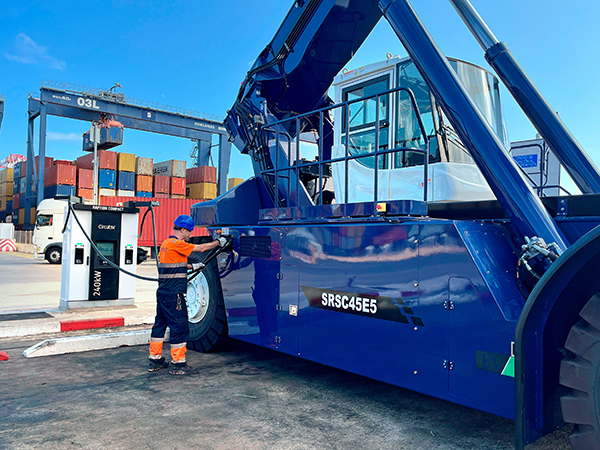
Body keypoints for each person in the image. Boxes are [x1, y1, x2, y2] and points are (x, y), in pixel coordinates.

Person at [148, 214, 226, 375]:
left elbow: (174, 264)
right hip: (174, 294)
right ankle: (178, 364)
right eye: (189, 232)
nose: (190, 235)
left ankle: (155, 360)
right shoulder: (178, 243)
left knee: (160, 325)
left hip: (163, 292)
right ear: (182, 230)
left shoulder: (166, 244)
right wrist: (219, 242)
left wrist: (192, 266)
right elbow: (202, 249)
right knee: (180, 327)